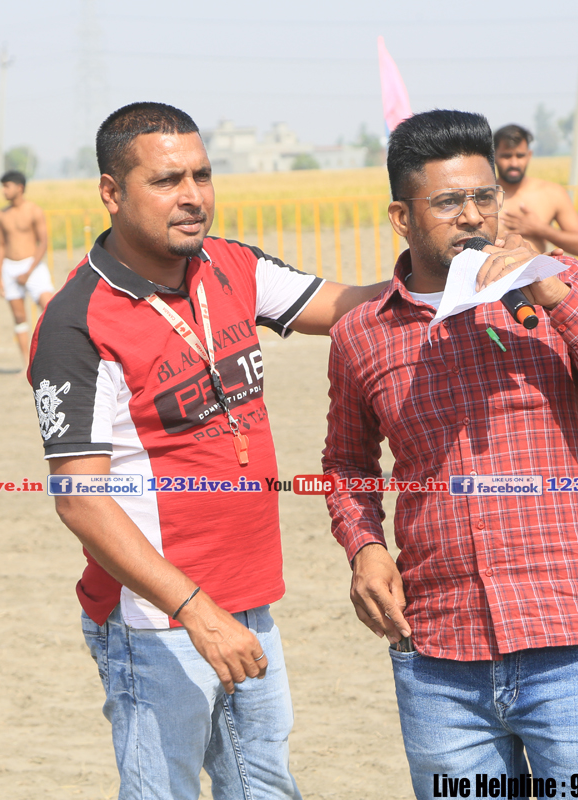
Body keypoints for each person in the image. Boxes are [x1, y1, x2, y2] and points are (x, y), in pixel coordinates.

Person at [28, 101, 386, 800]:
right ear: (111, 193)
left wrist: (444, 275)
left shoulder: (232, 265)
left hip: (247, 601)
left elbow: (353, 308)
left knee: (266, 787)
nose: (193, 196)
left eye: (202, 175)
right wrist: (196, 611)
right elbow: (79, 500)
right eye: (167, 181)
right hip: (155, 619)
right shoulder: (78, 322)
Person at [322, 109, 578, 797]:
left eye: (485, 197)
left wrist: (554, 295)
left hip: (570, 639)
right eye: (448, 202)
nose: (472, 216)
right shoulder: (363, 333)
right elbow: (347, 465)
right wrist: (364, 547)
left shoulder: (558, 288)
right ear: (401, 217)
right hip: (439, 656)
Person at [493, 123, 578, 257]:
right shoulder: (482, 197)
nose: (514, 163)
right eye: (506, 156)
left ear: (529, 155)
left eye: (520, 156)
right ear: (494, 156)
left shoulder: (552, 193)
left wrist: (541, 229)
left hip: (537, 270)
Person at [0, 170, 54, 362]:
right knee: (19, 317)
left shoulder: (34, 210)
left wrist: (28, 272)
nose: (3, 191)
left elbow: (43, 242)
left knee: (51, 308)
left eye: (7, 186)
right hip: (9, 268)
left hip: (32, 266)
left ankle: (54, 355)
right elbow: (0, 245)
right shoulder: (1, 215)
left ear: (19, 188)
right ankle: (26, 364)